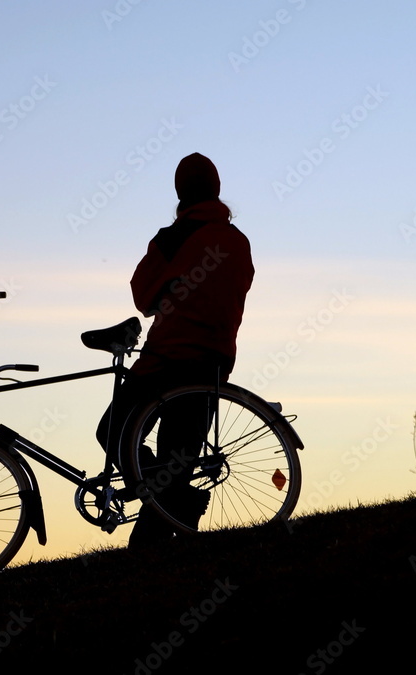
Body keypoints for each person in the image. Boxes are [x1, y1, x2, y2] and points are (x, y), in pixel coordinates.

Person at [96, 152, 255, 549]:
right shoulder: (239, 242)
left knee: (114, 433)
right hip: (214, 363)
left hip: (165, 360)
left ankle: (179, 503)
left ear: (180, 192)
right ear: (217, 189)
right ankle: (161, 538)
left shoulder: (173, 237)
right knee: (177, 460)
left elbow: (142, 297)